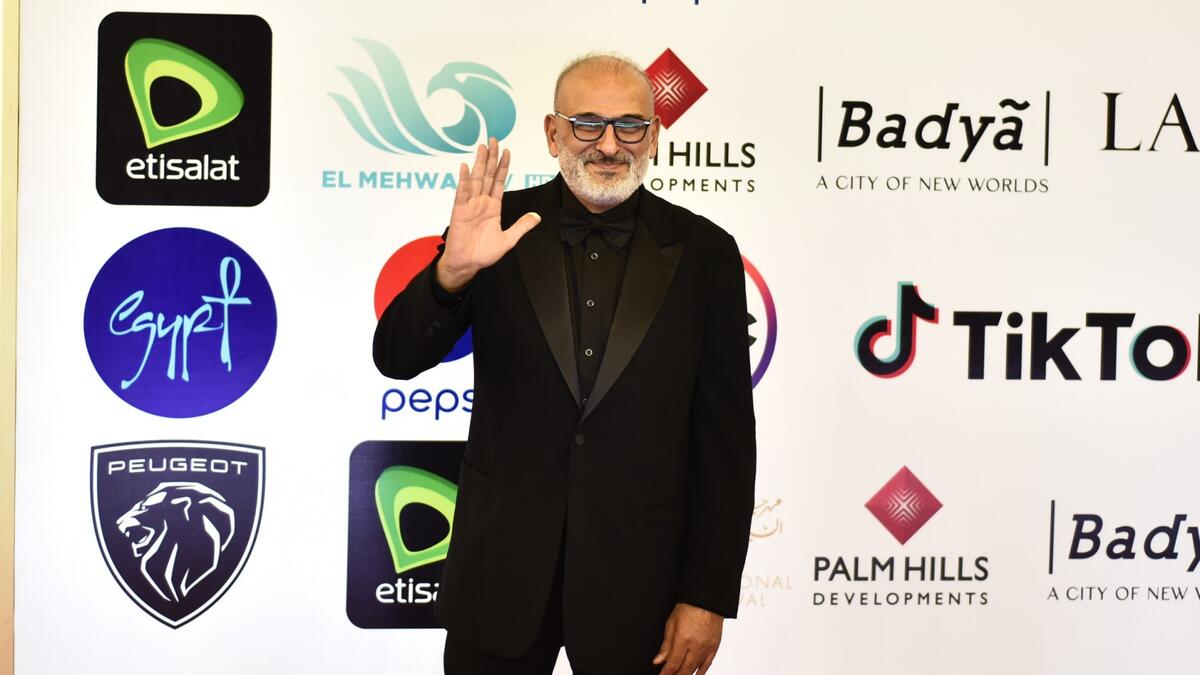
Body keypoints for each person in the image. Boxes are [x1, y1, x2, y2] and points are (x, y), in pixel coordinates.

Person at [373, 53, 756, 675]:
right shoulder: (496, 228)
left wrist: (706, 596)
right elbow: (396, 358)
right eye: (587, 123)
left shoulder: (706, 253)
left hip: (642, 590)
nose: (609, 144)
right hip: (499, 578)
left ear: (654, 137)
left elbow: (727, 440)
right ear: (553, 134)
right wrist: (454, 271)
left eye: (630, 125)